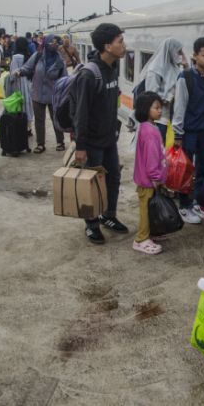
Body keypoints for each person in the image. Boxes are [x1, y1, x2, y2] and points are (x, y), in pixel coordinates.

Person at [72, 23, 129, 244]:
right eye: (120, 41)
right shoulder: (89, 75)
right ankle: (91, 224)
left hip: (108, 139)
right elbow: (81, 114)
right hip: (92, 142)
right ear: (107, 46)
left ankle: (109, 216)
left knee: (113, 177)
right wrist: (81, 146)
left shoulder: (113, 68)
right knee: (91, 183)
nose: (124, 45)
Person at [172, 36, 204, 224]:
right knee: (186, 169)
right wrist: (177, 134)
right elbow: (180, 106)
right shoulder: (186, 77)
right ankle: (184, 205)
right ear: (195, 56)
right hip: (189, 132)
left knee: (203, 169)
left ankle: (198, 202)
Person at [16, 34, 66, 152]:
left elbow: (64, 79)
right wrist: (20, 72)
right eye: (51, 43)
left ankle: (60, 142)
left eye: (56, 43)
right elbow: (27, 68)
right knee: (39, 120)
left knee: (56, 119)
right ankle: (40, 144)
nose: (54, 45)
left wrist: (65, 93)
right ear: (46, 43)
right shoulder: (38, 56)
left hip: (54, 95)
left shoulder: (60, 61)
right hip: (37, 93)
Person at [132, 91, 167, 255]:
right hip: (148, 181)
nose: (160, 111)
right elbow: (151, 159)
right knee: (146, 211)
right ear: (146, 109)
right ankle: (141, 239)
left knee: (150, 208)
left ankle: (150, 234)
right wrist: (157, 177)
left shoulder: (147, 127)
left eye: (160, 107)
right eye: (156, 107)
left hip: (148, 180)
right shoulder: (150, 132)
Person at [141, 37, 187, 140]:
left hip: (172, 119)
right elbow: (151, 96)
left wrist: (186, 66)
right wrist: (170, 96)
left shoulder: (175, 67)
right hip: (159, 119)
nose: (181, 54)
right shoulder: (154, 70)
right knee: (158, 149)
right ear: (170, 50)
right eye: (178, 51)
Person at [7, 37, 34, 134]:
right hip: (28, 83)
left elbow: (13, 73)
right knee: (28, 105)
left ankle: (20, 128)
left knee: (20, 105)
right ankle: (29, 128)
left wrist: (10, 80)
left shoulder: (16, 57)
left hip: (19, 83)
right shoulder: (29, 55)